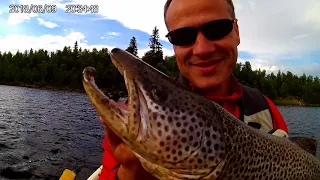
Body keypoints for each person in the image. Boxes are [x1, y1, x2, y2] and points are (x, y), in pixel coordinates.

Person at [97, 0, 289, 179]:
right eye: (183, 36)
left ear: (236, 32)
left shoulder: (266, 111)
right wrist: (129, 174)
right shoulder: (141, 117)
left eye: (217, 29)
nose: (202, 49)